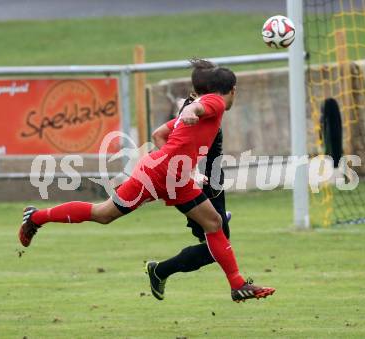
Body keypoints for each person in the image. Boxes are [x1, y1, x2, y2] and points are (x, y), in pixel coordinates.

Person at [19, 59, 275, 302]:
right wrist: (189, 111)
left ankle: (237, 285)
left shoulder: (208, 106)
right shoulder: (216, 103)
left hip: (174, 177)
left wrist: (186, 164)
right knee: (104, 213)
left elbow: (160, 133)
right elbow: (198, 107)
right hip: (158, 173)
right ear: (233, 90)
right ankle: (36, 217)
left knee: (213, 223)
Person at [145, 89, 232, 301]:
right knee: (215, 248)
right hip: (201, 183)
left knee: (216, 244)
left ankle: (161, 271)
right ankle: (160, 271)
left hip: (213, 181)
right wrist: (191, 173)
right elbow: (168, 139)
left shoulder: (209, 106)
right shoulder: (192, 109)